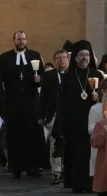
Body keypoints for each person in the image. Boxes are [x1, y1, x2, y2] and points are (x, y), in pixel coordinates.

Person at [0, 30, 45, 178]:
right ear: (14, 41)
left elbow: (44, 76)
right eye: (18, 39)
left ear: (26, 40)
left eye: (23, 39)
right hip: (11, 102)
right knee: (13, 135)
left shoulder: (35, 56)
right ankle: (15, 167)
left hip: (31, 102)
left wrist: (40, 80)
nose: (21, 41)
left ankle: (32, 166)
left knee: (31, 134)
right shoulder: (5, 57)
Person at [58, 40, 103, 193]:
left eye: (87, 55)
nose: (84, 58)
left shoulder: (97, 75)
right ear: (76, 57)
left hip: (93, 122)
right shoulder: (69, 76)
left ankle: (92, 183)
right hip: (74, 121)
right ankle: (77, 184)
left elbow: (106, 98)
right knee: (76, 153)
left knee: (91, 153)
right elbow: (63, 101)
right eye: (81, 55)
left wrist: (98, 96)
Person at [38, 49, 69, 184]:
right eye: (58, 58)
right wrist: (40, 115)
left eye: (63, 58)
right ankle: (56, 172)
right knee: (54, 144)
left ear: (68, 59)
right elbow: (42, 97)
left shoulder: (73, 75)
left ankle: (67, 171)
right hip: (52, 114)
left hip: (69, 114)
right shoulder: (48, 76)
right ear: (55, 61)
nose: (61, 60)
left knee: (68, 143)